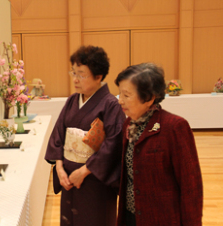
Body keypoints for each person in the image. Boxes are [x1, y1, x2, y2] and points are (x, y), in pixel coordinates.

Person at [45, 45, 126, 226]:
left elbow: (113, 146)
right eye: (73, 73)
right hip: (68, 177)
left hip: (94, 181)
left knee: (95, 219)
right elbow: (59, 135)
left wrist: (83, 172)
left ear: (98, 76)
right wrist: (59, 170)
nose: (75, 79)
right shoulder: (72, 100)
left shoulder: (111, 105)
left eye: (81, 74)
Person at [115, 63, 203, 226]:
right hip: (130, 216)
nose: (120, 101)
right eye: (119, 94)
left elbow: (191, 187)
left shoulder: (174, 127)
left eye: (126, 95)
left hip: (161, 219)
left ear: (148, 98)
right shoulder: (128, 124)